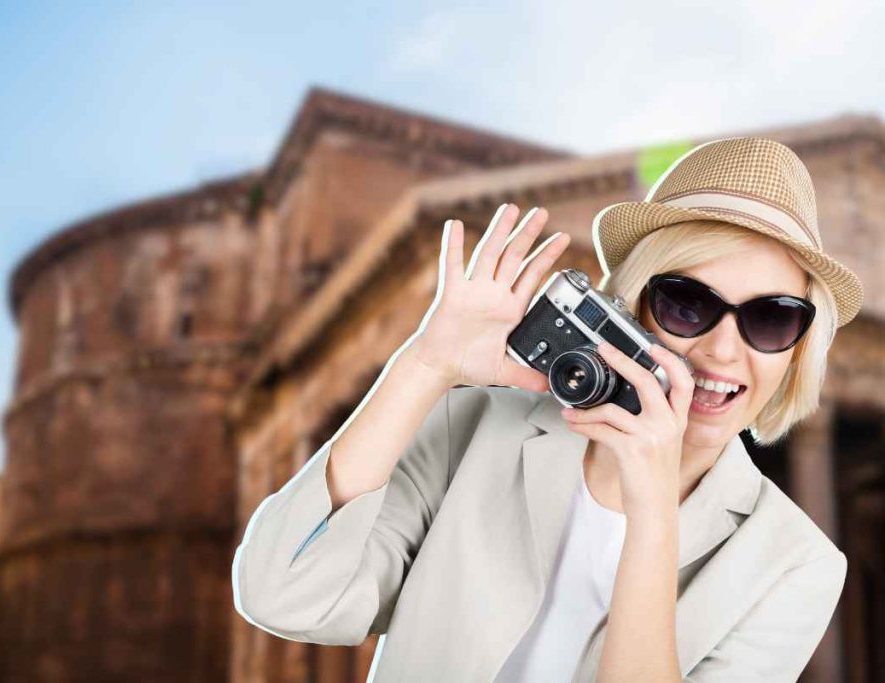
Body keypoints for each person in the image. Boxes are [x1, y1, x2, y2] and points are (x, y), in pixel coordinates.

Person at [231, 137, 864, 682]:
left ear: (799, 349)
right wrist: (423, 367)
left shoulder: (796, 563)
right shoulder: (472, 430)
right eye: (687, 304)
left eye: (771, 317)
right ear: (631, 310)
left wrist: (651, 514)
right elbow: (283, 596)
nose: (723, 349)